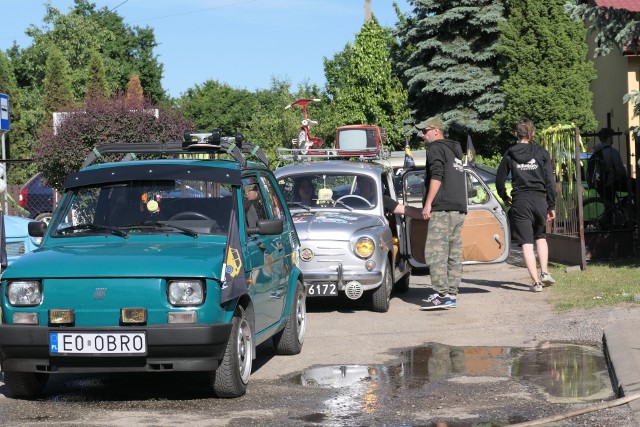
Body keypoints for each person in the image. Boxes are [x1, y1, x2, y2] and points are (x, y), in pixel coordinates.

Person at [496, 118, 556, 293]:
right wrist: (551, 205)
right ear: (532, 134)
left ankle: (536, 283)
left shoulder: (509, 153)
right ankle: (545, 272)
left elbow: (500, 179)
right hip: (539, 200)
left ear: (516, 134)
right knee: (541, 237)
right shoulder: (541, 153)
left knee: (527, 243)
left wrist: (504, 196)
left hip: (520, 201)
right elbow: (550, 182)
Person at [416, 115, 467, 310]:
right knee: (453, 252)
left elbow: (437, 175)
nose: (422, 135)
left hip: (443, 208)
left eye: (425, 131)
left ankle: (441, 294)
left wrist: (428, 203)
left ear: (436, 131)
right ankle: (451, 294)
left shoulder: (435, 148)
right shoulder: (454, 150)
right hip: (458, 208)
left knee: (435, 252)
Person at [588, 127, 628, 204]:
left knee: (609, 205)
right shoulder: (613, 152)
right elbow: (620, 170)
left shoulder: (596, 152)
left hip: (599, 184)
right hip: (611, 183)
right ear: (609, 138)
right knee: (636, 186)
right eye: (612, 137)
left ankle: (611, 214)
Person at [356, 176, 423, 219]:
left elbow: (404, 210)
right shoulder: (352, 199)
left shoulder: (382, 199)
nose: (370, 185)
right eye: (365, 183)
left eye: (371, 182)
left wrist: (425, 213)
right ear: (359, 184)